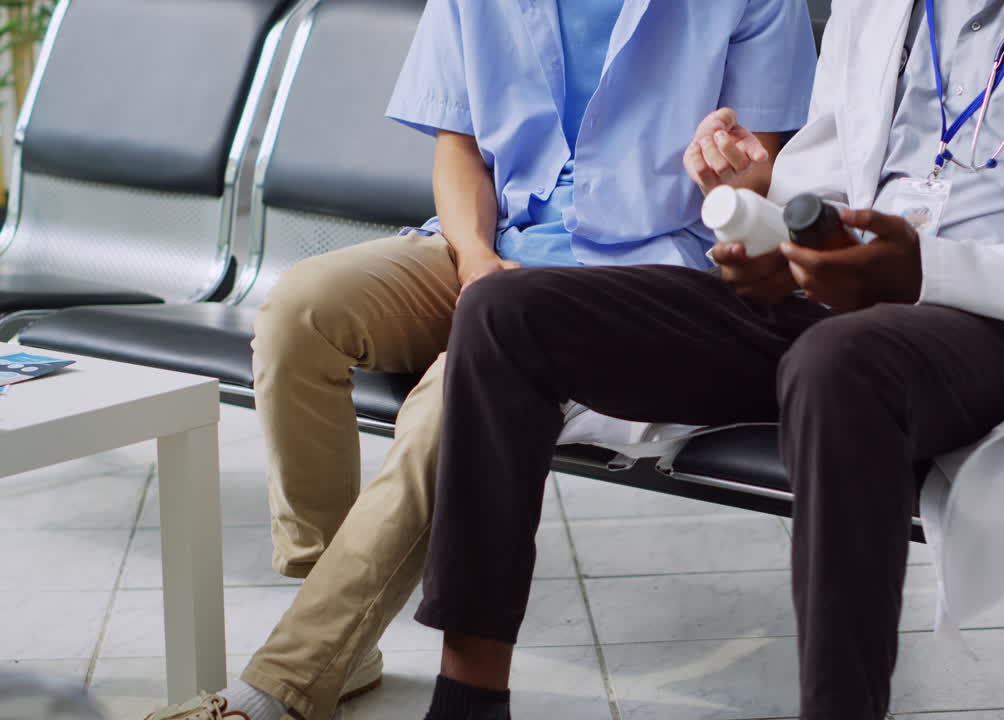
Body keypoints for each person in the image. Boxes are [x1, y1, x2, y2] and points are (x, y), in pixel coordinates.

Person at [411, 0, 1004, 718]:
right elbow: (822, 180)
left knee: (840, 361)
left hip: (991, 320)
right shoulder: (877, 9)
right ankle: (471, 698)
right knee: (505, 311)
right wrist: (766, 229)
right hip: (836, 303)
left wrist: (927, 271)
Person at [146, 1, 816, 719]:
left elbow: (764, 167)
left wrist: (733, 181)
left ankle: (290, 680)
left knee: (447, 400)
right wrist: (475, 261)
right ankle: (339, 630)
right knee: (295, 312)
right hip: (490, 243)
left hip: (645, 273)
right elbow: (458, 145)